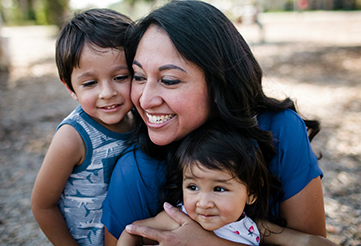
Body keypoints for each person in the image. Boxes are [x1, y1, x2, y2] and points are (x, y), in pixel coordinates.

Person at [102, 1, 326, 245]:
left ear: (220, 83)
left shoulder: (279, 130)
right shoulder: (136, 171)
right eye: (139, 77)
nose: (144, 99)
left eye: (168, 80)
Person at [118, 120, 337, 246]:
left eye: (219, 188)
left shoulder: (253, 227)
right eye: (192, 187)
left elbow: (306, 241)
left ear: (251, 192)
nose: (203, 202)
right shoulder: (176, 220)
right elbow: (131, 231)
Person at [31, 9, 133, 245]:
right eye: (90, 83)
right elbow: (42, 205)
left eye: (120, 77)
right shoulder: (73, 136)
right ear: (70, 88)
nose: (107, 93)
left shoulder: (141, 119)